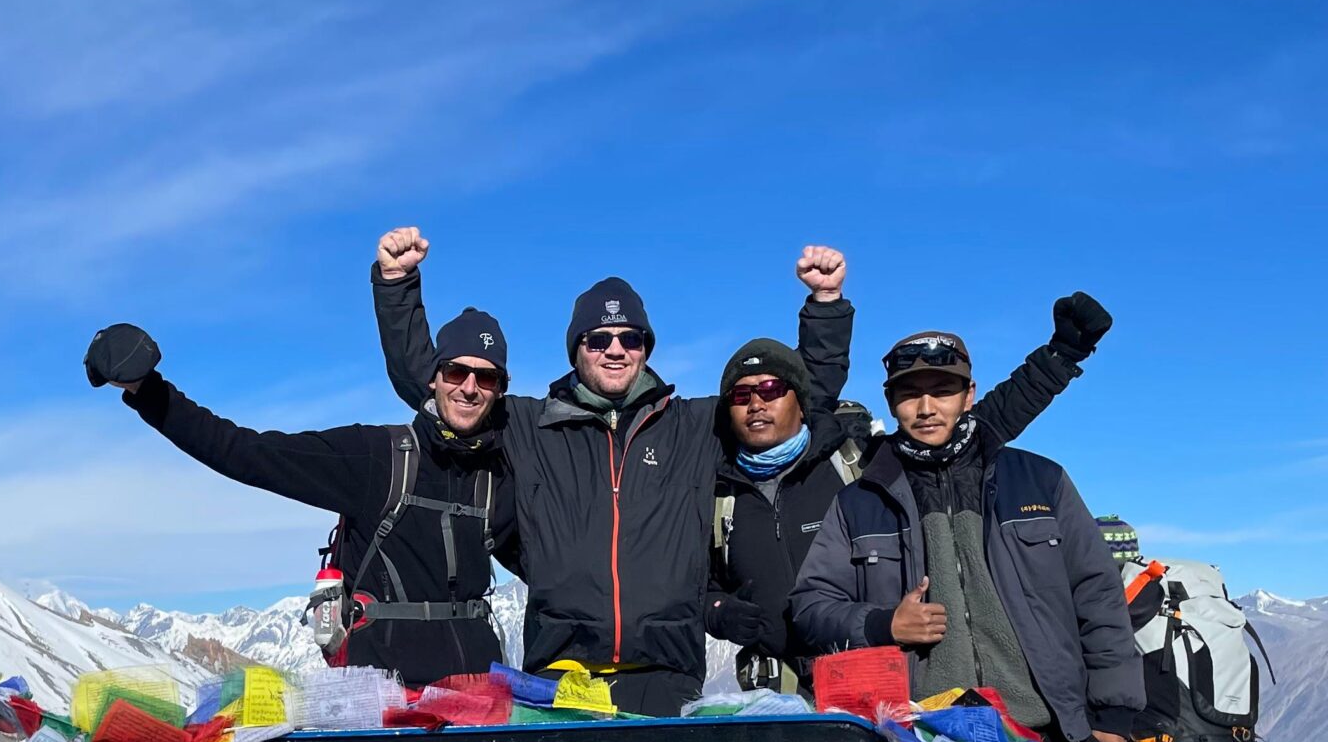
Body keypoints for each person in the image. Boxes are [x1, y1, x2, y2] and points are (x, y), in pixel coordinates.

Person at [373, 230, 844, 716]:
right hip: (559, 676)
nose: (614, 349)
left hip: (667, 677)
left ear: (645, 348)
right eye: (599, 339)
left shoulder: (694, 427)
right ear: (577, 349)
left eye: (629, 338)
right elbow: (443, 397)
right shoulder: (529, 428)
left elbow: (795, 402)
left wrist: (824, 305)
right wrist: (397, 284)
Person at [706, 262, 1100, 693]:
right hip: (774, 689)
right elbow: (691, 584)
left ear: (799, 401)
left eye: (771, 391)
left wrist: (1059, 358)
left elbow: (976, 426)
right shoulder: (717, 491)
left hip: (867, 676)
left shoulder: (860, 462)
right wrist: (718, 610)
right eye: (742, 395)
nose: (757, 404)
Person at [789, 304, 1141, 742]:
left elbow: (1099, 601)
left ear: (968, 394)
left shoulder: (1040, 481)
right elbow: (810, 605)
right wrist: (881, 623)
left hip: (1055, 741)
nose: (927, 407)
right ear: (891, 402)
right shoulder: (859, 501)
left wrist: (1112, 726)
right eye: (910, 394)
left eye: (943, 391)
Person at [85, 315, 515, 688]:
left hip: (478, 709)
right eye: (457, 372)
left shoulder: (500, 476)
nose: (470, 388)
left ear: (499, 391)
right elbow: (246, 452)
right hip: (384, 707)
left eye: (487, 378)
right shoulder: (377, 457)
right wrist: (147, 390)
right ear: (434, 377)